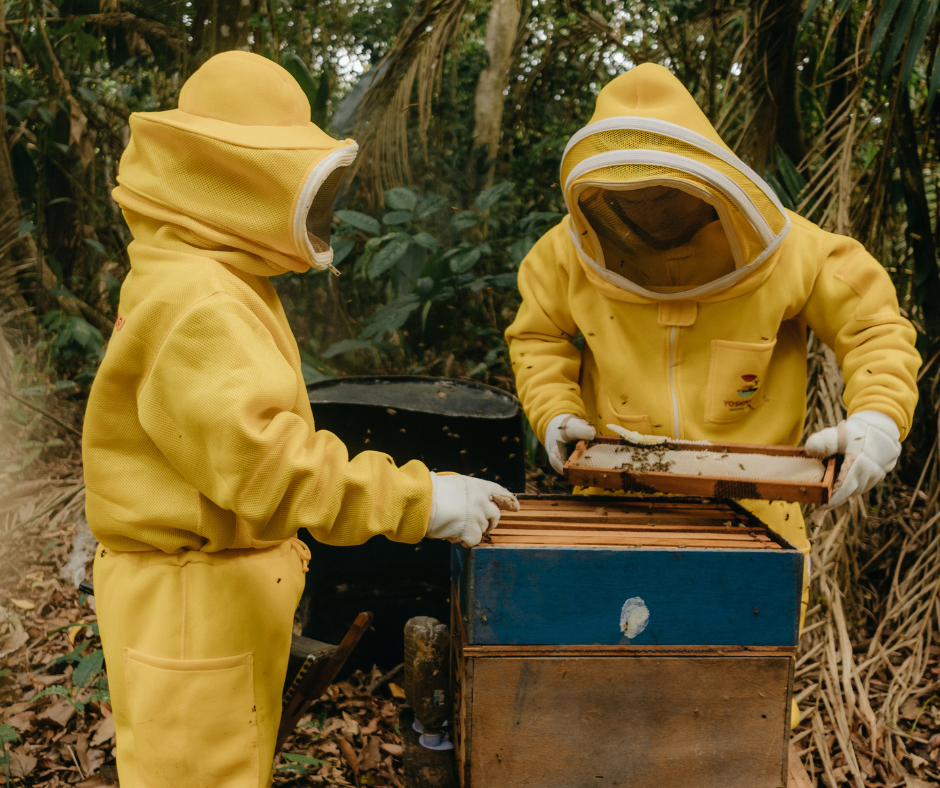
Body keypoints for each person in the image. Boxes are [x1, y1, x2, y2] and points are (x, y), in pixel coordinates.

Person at [82, 51, 516, 788]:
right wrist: (422, 499)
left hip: (206, 596)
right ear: (240, 179)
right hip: (193, 605)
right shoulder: (200, 302)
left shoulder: (200, 274)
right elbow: (267, 463)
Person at [505, 63, 920, 719]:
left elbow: (873, 327)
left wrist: (877, 418)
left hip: (757, 515)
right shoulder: (562, 257)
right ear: (594, 200)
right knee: (609, 702)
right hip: (612, 506)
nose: (649, 217)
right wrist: (555, 413)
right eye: (628, 203)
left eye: (664, 199)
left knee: (741, 710)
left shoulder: (795, 251)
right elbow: (538, 338)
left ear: (708, 181)